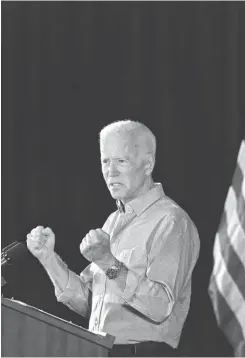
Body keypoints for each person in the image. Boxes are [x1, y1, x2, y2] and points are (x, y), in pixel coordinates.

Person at [26, 120, 200, 357]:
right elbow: (90, 303)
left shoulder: (172, 221)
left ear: (147, 164)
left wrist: (108, 262)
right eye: (105, 161)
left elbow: (161, 307)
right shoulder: (113, 221)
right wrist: (48, 259)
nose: (111, 171)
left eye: (121, 161)